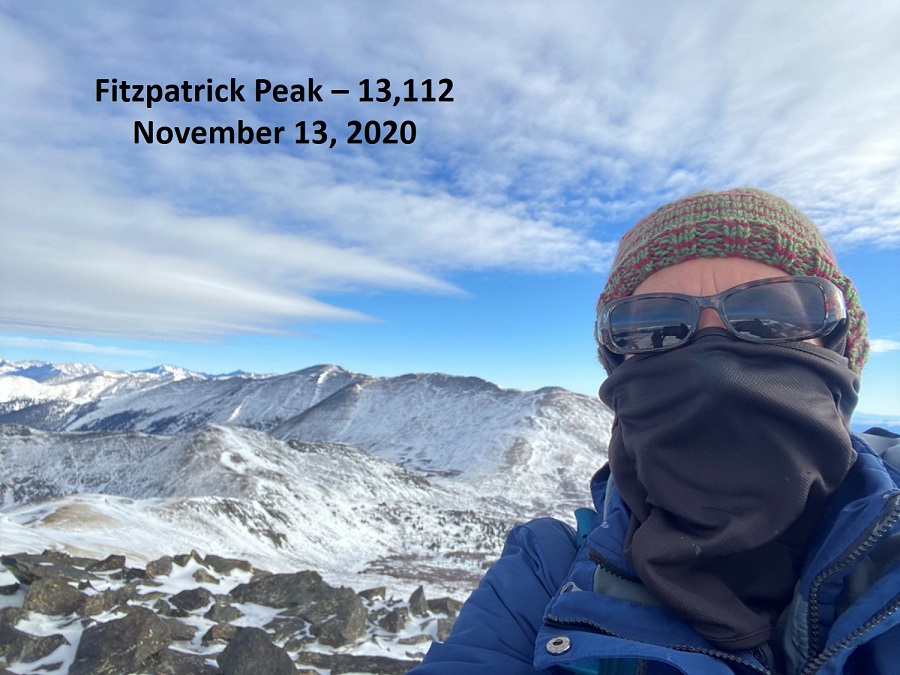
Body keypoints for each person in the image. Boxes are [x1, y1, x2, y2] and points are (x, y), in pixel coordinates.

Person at [411, 188, 900, 674]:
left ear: (841, 348)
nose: (713, 360)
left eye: (771, 315)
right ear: (618, 363)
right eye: (655, 327)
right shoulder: (544, 578)